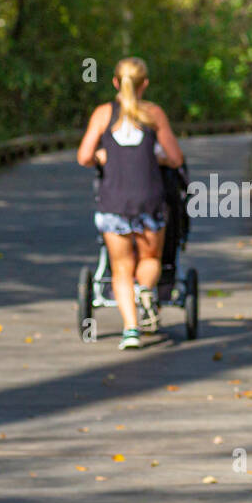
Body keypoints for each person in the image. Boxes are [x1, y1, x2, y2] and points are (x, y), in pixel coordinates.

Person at [77, 57, 184, 350]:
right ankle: (147, 291)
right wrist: (157, 158)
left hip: (114, 202)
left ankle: (131, 329)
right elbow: (175, 159)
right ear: (144, 84)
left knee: (121, 268)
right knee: (150, 259)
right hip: (149, 199)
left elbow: (84, 156)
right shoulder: (153, 114)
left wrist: (102, 156)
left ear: (115, 82)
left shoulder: (103, 114)